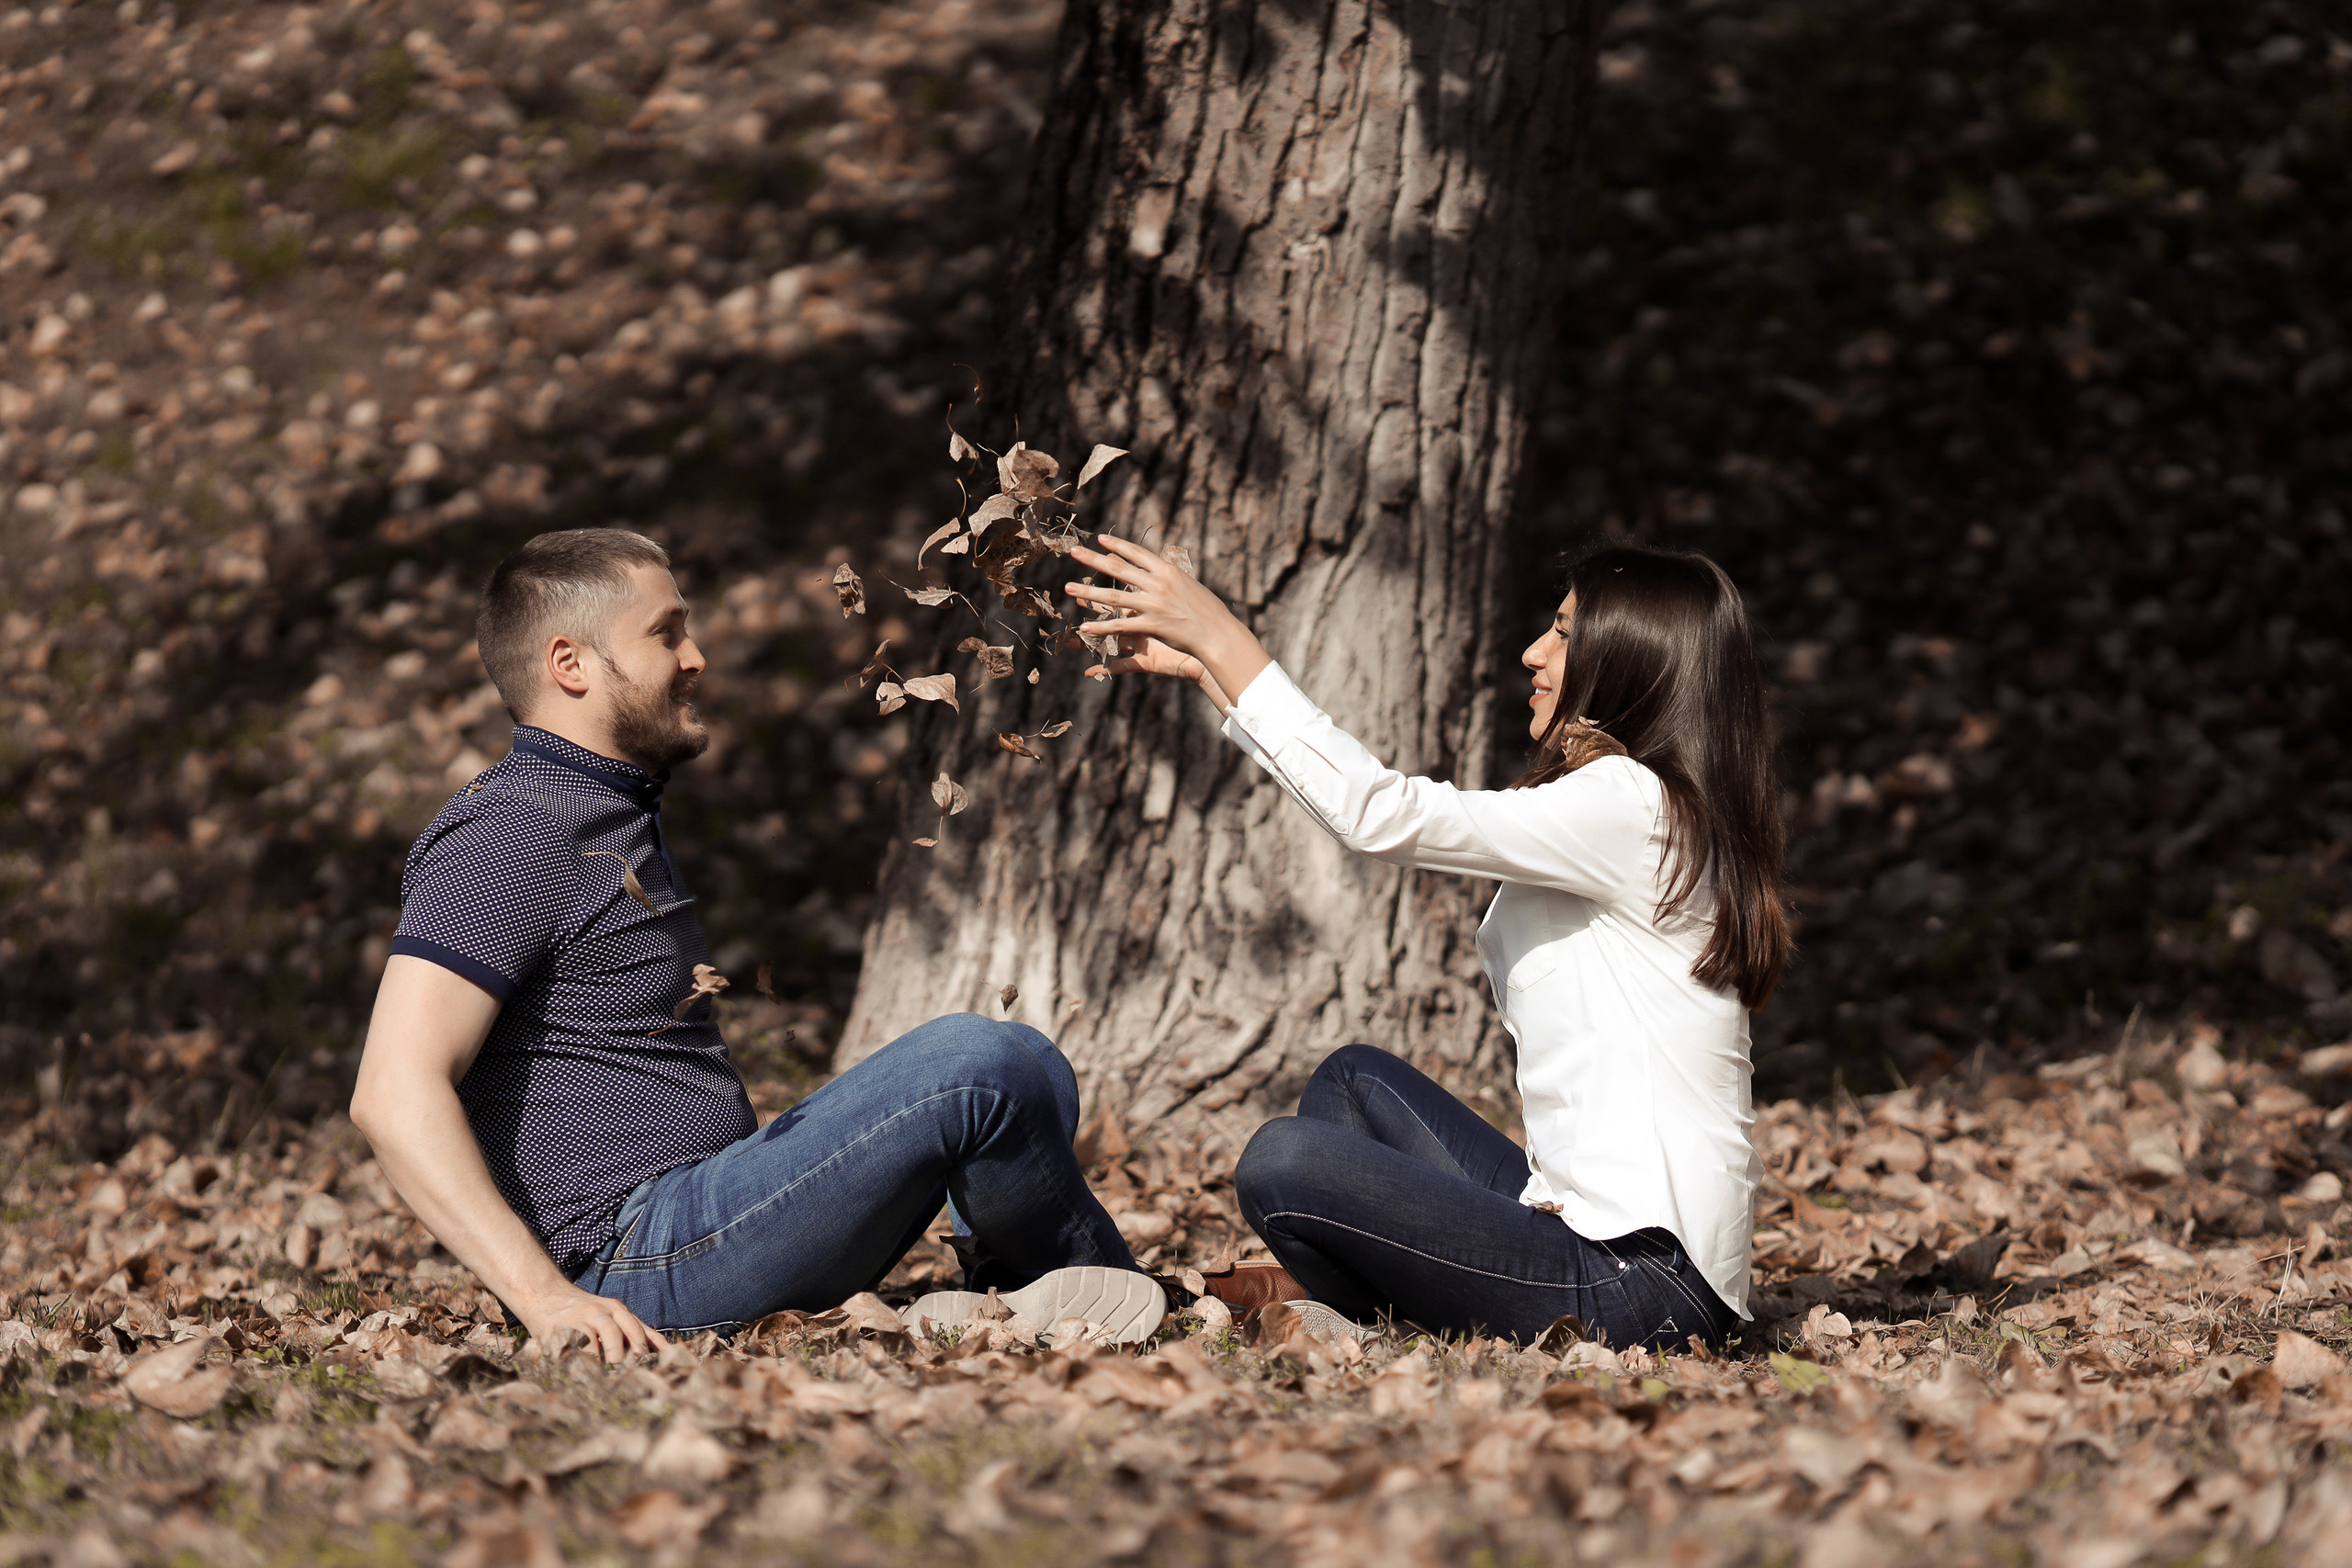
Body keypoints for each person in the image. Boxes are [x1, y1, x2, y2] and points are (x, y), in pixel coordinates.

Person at [350, 528, 1165, 1361]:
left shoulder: (605, 805)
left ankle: (1022, 1301)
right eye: (666, 632)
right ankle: (1127, 1308)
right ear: (572, 664)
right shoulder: (514, 828)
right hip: (634, 1261)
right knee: (980, 1065)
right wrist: (544, 1296)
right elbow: (392, 1090)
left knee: (1028, 1061)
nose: (697, 656)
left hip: (704, 1217)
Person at [1066, 536, 1788, 1350]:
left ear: (1629, 660)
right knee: (1353, 1083)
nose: (1534, 653)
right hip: (1600, 1238)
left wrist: (1223, 636)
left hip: (1640, 1286)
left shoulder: (1630, 805)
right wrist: (1211, 676)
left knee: (1283, 1159)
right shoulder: (1649, 805)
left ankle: (1336, 1300)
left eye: (1561, 632)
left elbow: (1382, 814)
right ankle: (1348, 1297)